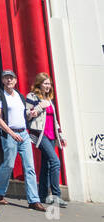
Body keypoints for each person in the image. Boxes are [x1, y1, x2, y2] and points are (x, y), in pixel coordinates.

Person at [0, 69, 45, 211]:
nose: (9, 80)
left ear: (16, 80)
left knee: (30, 168)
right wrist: (11, 133)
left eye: (11, 78)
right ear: (2, 80)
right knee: (8, 165)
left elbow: (24, 117)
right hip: (10, 134)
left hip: (24, 134)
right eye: (6, 78)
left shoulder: (20, 96)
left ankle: (34, 200)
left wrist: (31, 115)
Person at [25, 73, 62, 206]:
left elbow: (54, 119)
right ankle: (56, 195)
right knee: (55, 162)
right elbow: (28, 115)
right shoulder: (32, 96)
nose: (48, 86)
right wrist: (41, 106)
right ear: (39, 84)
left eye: (49, 84)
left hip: (52, 135)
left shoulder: (49, 98)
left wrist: (60, 135)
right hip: (40, 135)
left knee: (46, 165)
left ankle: (42, 195)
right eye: (45, 83)